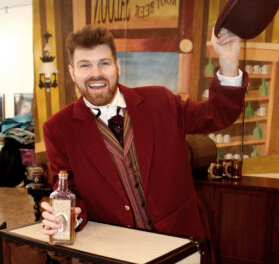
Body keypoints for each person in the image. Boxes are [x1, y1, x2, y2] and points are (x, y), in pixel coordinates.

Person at [41, 25, 248, 256]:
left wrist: (228, 61)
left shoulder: (161, 101)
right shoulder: (57, 128)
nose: (96, 73)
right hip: (116, 252)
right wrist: (66, 218)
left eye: (104, 63)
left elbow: (218, 113)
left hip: (181, 243)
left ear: (117, 67)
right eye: (85, 65)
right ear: (72, 72)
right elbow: (69, 192)